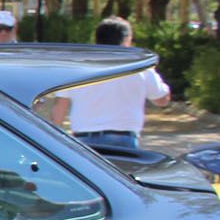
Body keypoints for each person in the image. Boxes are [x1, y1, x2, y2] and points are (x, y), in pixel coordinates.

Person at [50, 16, 170, 149]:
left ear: (97, 39)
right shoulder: (139, 67)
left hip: (84, 140)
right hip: (124, 139)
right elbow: (162, 100)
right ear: (127, 39)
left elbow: (59, 107)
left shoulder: (77, 68)